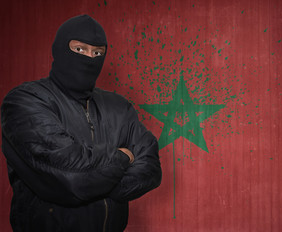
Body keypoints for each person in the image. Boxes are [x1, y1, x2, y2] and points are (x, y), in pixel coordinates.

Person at [1, 14, 162, 232]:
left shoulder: (119, 107)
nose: (89, 58)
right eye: (79, 49)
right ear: (59, 49)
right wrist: (123, 157)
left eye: (97, 53)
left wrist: (96, 183)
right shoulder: (25, 101)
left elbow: (150, 169)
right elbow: (70, 179)